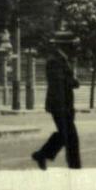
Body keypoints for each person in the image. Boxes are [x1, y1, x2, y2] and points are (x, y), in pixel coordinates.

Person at [32, 30, 82, 170]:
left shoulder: (62, 59)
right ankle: (75, 168)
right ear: (66, 46)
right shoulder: (55, 61)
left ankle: (42, 154)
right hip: (60, 105)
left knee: (64, 135)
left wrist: (72, 82)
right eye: (73, 45)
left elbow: (64, 80)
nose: (75, 48)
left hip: (64, 105)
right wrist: (72, 82)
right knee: (71, 138)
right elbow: (58, 85)